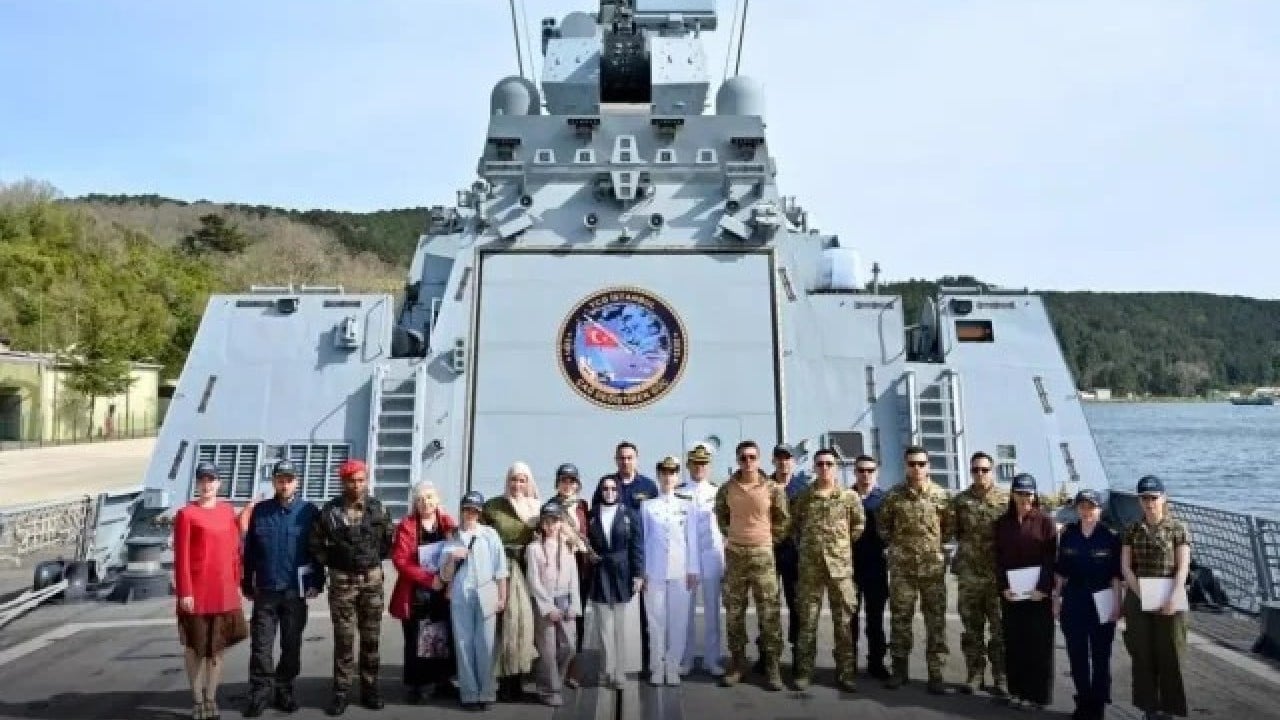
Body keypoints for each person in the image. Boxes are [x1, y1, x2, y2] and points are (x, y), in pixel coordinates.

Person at [308, 458, 394, 716]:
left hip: (371, 582)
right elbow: (315, 543)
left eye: (360, 480)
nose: (356, 485)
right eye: (351, 481)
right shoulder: (330, 511)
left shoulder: (378, 509)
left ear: (366, 481)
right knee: (344, 640)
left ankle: (370, 689)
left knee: (371, 639)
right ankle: (341, 692)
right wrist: (334, 561)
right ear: (343, 482)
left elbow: (388, 542)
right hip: (342, 582)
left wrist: (369, 560)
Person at [241, 459, 325, 717]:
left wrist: (317, 582)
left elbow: (317, 550)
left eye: (289, 480)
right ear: (274, 482)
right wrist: (247, 580)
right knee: (261, 645)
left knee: (291, 645)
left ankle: (284, 689)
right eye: (280, 480)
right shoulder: (261, 511)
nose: (285, 484)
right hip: (266, 590)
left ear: (297, 482)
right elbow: (250, 550)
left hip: (294, 591)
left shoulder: (308, 511)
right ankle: (259, 692)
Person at [174, 462, 249, 720]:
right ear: (197, 483)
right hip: (197, 593)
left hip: (224, 591)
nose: (206, 485)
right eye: (202, 480)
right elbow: (181, 557)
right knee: (194, 648)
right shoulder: (186, 514)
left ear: (219, 483)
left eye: (211, 480)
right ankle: (197, 699)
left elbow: (235, 551)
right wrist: (185, 591)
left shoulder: (227, 511)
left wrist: (238, 584)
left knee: (217, 649)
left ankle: (211, 698)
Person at [713, 439, 789, 690]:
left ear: (759, 459)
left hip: (762, 555)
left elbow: (783, 520)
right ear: (737, 460)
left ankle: (772, 668)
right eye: (743, 457)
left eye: (752, 457)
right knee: (734, 613)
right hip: (735, 555)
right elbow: (721, 516)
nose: (747, 462)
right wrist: (734, 534)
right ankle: (738, 664)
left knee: (769, 613)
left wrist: (766, 540)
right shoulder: (727, 489)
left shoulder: (772, 488)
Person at [790, 448, 865, 692]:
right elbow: (794, 526)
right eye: (820, 464)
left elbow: (858, 526)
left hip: (840, 569)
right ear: (814, 467)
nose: (824, 468)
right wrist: (809, 547)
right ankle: (804, 672)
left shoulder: (849, 497)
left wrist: (839, 547)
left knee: (843, 623)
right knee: (807, 621)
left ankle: (845, 674)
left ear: (836, 467)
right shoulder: (804, 497)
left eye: (829, 464)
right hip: (810, 568)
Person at [879, 445, 950, 693]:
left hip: (932, 571)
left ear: (928, 466)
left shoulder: (942, 496)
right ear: (905, 466)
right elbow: (883, 526)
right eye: (912, 464)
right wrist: (898, 548)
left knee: (936, 622)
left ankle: (936, 674)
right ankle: (899, 671)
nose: (917, 468)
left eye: (921, 464)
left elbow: (949, 528)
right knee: (900, 621)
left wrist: (933, 549)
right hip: (903, 571)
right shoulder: (894, 496)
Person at [1120, 475, 1191, 720]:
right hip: (1139, 595)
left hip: (1170, 595)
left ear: (1163, 498)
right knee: (1142, 653)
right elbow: (1126, 567)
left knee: (1170, 653)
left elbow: (1183, 566)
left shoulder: (1178, 528)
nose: (1149, 503)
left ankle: (1169, 708)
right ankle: (1148, 707)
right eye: (1144, 498)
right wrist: (1142, 595)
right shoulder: (1132, 529)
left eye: (1153, 497)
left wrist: (1175, 595)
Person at [1054, 488, 1123, 720]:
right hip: (1074, 598)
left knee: (1101, 655)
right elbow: (1060, 572)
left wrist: (1117, 605)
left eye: (1091, 507)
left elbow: (1116, 576)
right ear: (1077, 509)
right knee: (1077, 654)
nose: (1086, 511)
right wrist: (1056, 600)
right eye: (1082, 507)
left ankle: (1098, 704)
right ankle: (1083, 701)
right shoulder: (1068, 535)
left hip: (1102, 598)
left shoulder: (1110, 537)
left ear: (1099, 509)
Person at [993, 473, 1058, 710]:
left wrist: (1043, 588)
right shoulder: (1002, 523)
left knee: (1039, 646)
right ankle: (1017, 691)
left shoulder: (1045, 522)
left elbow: (1051, 559)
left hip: (1038, 595)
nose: (1024, 498)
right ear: (1012, 494)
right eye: (1020, 493)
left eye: (1028, 494)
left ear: (1034, 495)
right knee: (1014, 643)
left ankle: (1038, 696)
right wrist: (1003, 587)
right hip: (1012, 595)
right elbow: (998, 558)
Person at [389, 481, 458, 703]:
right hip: (416, 591)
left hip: (442, 589)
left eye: (429, 497)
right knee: (416, 638)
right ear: (415, 503)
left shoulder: (448, 523)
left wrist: (445, 578)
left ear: (437, 499)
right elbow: (400, 560)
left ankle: (442, 681)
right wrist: (429, 579)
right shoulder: (407, 525)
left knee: (441, 635)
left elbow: (457, 551)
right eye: (420, 499)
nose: (425, 502)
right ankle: (418, 686)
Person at [948, 450, 1010, 696]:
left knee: (1000, 631)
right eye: (975, 470)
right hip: (970, 576)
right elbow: (954, 532)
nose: (980, 474)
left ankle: (1001, 677)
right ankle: (974, 675)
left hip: (997, 577)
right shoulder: (961, 501)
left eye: (984, 470)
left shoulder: (1006, 501)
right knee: (971, 629)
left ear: (992, 471)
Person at [442, 491, 510, 710]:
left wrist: (502, 596)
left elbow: (500, 568)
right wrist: (452, 558)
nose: (470, 514)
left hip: (486, 590)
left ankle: (487, 691)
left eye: (475, 510)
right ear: (461, 510)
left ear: (480, 513)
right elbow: (445, 575)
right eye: (467, 509)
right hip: (461, 593)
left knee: (486, 644)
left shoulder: (489, 534)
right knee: (464, 644)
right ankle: (469, 693)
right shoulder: (452, 536)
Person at [597, 441, 659, 676]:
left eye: (629, 457)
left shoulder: (648, 486)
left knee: (643, 615)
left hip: (640, 556)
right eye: (621, 458)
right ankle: (612, 665)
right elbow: (596, 518)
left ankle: (643, 661)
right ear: (616, 460)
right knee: (612, 616)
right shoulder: (607, 483)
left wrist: (642, 570)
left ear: (636, 459)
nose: (625, 461)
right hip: (613, 560)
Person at [480, 461, 541, 701]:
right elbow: (479, 535)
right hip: (500, 570)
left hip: (527, 571)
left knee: (522, 626)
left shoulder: (536, 508)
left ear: (529, 482)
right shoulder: (493, 506)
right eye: (514, 479)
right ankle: (502, 682)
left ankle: (517, 679)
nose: (517, 484)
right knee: (502, 626)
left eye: (522, 480)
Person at [640, 455, 697, 686]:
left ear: (677, 476)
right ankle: (657, 667)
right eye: (664, 472)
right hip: (653, 571)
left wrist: (693, 569)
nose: (668, 477)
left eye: (672, 473)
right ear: (658, 475)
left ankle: (673, 666)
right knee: (655, 622)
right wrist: (642, 571)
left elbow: (692, 540)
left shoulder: (687, 505)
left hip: (680, 571)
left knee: (678, 622)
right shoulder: (647, 506)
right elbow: (643, 541)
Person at [586, 475, 645, 688]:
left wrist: (638, 574)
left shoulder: (629, 514)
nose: (609, 492)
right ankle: (606, 668)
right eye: (605, 488)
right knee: (604, 626)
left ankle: (619, 671)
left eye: (613, 488)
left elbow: (637, 546)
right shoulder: (592, 515)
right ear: (600, 491)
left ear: (618, 491)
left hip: (623, 572)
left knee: (620, 626)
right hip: (600, 571)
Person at [526, 499, 582, 706]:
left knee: (569, 646)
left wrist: (574, 605)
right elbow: (533, 580)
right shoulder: (534, 548)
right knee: (547, 650)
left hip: (565, 599)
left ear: (561, 523)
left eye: (555, 521)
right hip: (545, 602)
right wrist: (548, 608)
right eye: (546, 522)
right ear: (541, 524)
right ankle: (549, 690)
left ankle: (554, 679)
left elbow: (574, 578)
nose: (550, 526)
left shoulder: (568, 546)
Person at [679, 443, 725, 677]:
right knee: (684, 613)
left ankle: (712, 659)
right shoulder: (679, 492)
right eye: (695, 463)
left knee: (712, 611)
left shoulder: (718, 492)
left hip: (711, 555)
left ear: (709, 466)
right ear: (688, 466)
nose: (699, 467)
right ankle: (685, 658)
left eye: (703, 463)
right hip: (686, 557)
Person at [760, 443, 806, 670]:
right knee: (767, 604)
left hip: (794, 554)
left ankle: (798, 653)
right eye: (779, 458)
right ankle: (767, 654)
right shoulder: (763, 487)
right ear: (773, 461)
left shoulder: (803, 489)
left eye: (787, 458)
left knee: (796, 604)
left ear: (793, 461)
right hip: (768, 551)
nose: (783, 462)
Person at [552, 463, 594, 688]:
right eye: (563, 480)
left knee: (577, 618)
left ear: (578, 484)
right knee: (557, 619)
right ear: (557, 483)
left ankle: (573, 668)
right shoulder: (551, 506)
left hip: (581, 569)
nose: (567, 484)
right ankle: (555, 668)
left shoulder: (582, 506)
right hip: (559, 570)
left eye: (572, 481)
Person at [850, 454, 890, 680]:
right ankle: (849, 663)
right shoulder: (846, 497)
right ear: (855, 472)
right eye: (861, 470)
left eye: (870, 470)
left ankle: (876, 662)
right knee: (849, 620)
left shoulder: (885, 500)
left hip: (876, 567)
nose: (865, 474)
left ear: (877, 472)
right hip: (850, 568)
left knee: (875, 619)